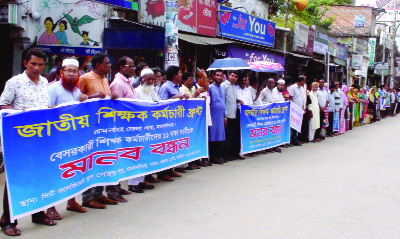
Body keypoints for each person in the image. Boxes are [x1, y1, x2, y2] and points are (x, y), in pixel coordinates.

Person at [0, 48, 56, 236]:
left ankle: (38, 214)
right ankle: (8, 220)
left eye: (41, 64)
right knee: (15, 178)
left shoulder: (45, 82)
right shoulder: (14, 82)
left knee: (40, 175)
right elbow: (3, 104)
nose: (37, 68)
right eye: (33, 63)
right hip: (19, 138)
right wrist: (20, 115)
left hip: (41, 138)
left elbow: (44, 106)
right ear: (25, 63)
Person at [47, 58, 91, 219]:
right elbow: (48, 113)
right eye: (68, 71)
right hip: (58, 139)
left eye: (75, 71)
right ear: (61, 72)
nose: (72, 74)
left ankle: (71, 201)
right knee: (55, 172)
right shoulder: (53, 89)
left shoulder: (76, 91)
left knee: (73, 170)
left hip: (74, 138)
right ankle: (50, 207)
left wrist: (84, 101)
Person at [79, 53, 119, 209]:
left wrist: (112, 97)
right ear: (98, 66)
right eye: (107, 63)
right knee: (89, 161)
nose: (109, 66)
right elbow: (78, 99)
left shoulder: (104, 79)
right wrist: (92, 96)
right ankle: (87, 198)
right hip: (89, 128)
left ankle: (98, 194)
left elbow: (105, 100)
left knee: (101, 159)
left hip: (104, 128)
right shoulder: (85, 79)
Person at [157, 66, 189, 181]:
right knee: (165, 146)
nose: (181, 75)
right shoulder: (165, 87)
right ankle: (163, 173)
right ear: (175, 75)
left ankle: (171, 170)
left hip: (175, 121)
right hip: (166, 121)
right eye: (179, 73)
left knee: (172, 146)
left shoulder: (177, 87)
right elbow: (161, 104)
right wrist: (176, 97)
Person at [221, 71, 243, 161]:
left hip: (233, 114)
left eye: (236, 76)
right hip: (227, 114)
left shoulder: (234, 86)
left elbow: (231, 99)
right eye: (232, 76)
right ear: (229, 75)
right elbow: (223, 100)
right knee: (225, 136)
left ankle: (229, 154)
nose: (234, 78)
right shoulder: (224, 85)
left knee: (231, 136)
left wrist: (238, 100)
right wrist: (224, 115)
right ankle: (223, 155)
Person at [208, 70, 226, 164]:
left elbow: (224, 102)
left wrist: (225, 116)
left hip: (221, 115)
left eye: (221, 76)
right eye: (217, 75)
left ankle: (219, 156)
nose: (219, 77)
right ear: (214, 76)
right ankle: (213, 157)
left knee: (220, 136)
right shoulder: (210, 88)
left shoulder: (223, 88)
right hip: (213, 115)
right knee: (212, 136)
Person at [289, 76, 306, 146]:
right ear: (301, 81)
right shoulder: (293, 87)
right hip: (294, 110)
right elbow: (291, 98)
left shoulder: (302, 88)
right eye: (304, 81)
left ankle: (295, 139)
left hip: (299, 110)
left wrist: (303, 107)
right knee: (292, 125)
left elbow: (302, 98)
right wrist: (293, 108)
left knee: (297, 125)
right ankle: (290, 140)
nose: (304, 82)